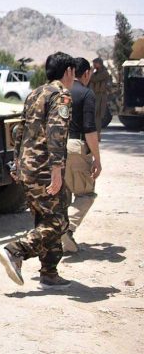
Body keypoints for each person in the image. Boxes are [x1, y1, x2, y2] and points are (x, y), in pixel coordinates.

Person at [0, 52, 76, 289]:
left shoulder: (35, 93)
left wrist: (16, 163)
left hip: (27, 168)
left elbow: (19, 131)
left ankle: (49, 273)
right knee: (59, 221)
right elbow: (56, 133)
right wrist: (56, 170)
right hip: (44, 169)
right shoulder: (61, 95)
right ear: (69, 71)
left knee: (45, 218)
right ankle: (16, 251)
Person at [62, 57, 102, 253]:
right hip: (76, 147)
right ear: (86, 73)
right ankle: (65, 230)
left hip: (56, 146)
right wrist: (97, 159)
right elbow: (89, 130)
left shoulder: (60, 92)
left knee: (64, 195)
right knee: (86, 194)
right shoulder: (86, 94)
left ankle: (62, 241)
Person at [89, 57, 112, 128]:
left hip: (101, 94)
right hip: (95, 94)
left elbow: (94, 79)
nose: (93, 65)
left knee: (98, 111)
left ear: (99, 64)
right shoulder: (97, 73)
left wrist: (91, 71)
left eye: (95, 63)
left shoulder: (104, 73)